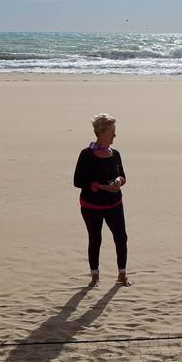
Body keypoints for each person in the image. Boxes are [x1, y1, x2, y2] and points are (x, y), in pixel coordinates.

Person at [73, 113, 130, 288]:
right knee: (95, 239)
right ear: (102, 132)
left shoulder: (116, 154)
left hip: (114, 204)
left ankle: (122, 274)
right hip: (92, 206)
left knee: (121, 238)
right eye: (112, 131)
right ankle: (95, 276)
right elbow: (78, 181)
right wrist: (103, 187)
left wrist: (119, 181)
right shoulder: (86, 155)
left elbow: (122, 176)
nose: (115, 135)